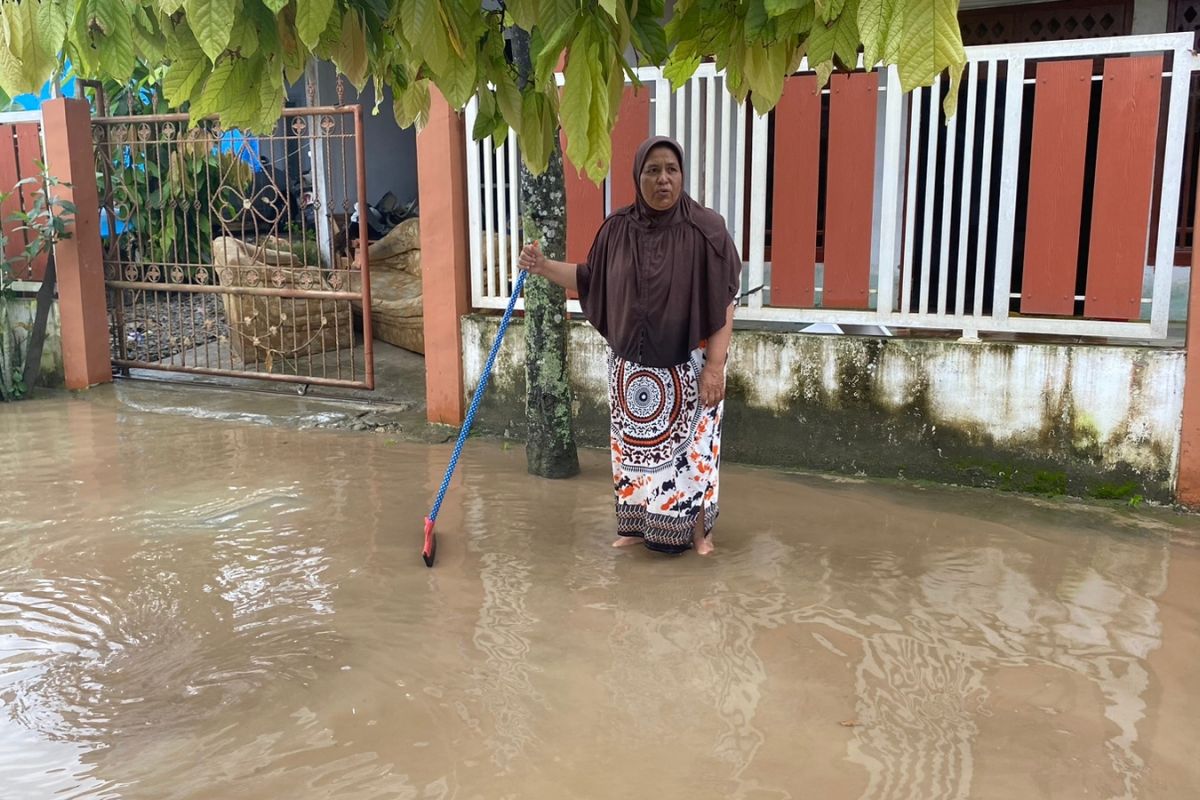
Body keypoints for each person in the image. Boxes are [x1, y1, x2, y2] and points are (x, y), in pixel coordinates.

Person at [518, 136, 741, 556]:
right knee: (634, 458)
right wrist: (542, 266)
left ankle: (697, 535)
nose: (663, 180)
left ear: (682, 175)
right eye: (652, 171)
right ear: (637, 177)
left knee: (693, 458)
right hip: (631, 372)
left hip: (689, 369)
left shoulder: (706, 230)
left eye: (671, 170)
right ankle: (636, 527)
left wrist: (715, 365)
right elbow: (588, 280)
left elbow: (725, 301)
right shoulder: (617, 229)